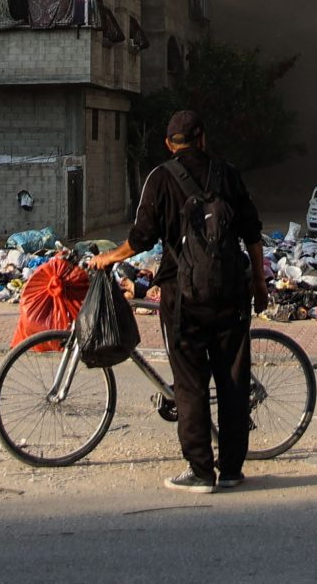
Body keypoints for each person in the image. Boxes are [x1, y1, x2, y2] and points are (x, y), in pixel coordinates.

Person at [91, 110, 268, 494]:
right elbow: (253, 232)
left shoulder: (161, 178)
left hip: (183, 299)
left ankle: (202, 471)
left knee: (190, 384)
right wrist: (258, 283)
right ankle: (233, 468)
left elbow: (140, 239)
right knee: (234, 380)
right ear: (202, 138)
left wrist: (109, 257)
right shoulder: (228, 174)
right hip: (232, 294)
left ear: (170, 144)